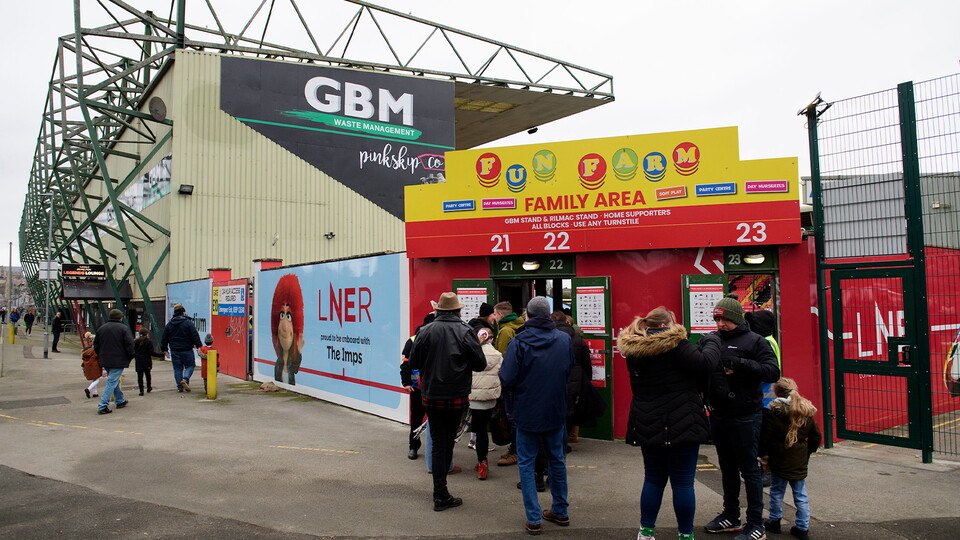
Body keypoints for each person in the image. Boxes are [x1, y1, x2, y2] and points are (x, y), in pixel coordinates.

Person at [618, 306, 722, 540]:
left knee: (653, 479)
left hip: (647, 421)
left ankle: (645, 532)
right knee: (683, 483)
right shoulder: (677, 346)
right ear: (668, 324)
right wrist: (712, 340)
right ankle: (685, 534)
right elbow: (706, 363)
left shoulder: (634, 350)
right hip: (682, 421)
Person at [704, 294, 780, 540]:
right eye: (717, 319)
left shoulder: (756, 341)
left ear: (736, 318)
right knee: (726, 467)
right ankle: (731, 515)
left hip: (746, 414)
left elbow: (772, 372)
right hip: (719, 413)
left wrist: (739, 364)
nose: (720, 324)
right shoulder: (712, 340)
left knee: (750, 470)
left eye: (725, 319)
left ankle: (756, 523)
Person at [500, 296, 573, 535]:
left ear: (528, 315)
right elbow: (568, 369)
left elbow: (507, 377)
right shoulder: (564, 340)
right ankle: (560, 510)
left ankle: (533, 518)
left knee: (526, 462)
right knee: (557, 461)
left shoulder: (519, 342)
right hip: (555, 409)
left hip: (526, 409)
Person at [408, 292, 486, 512]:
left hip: (431, 395)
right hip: (456, 395)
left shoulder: (425, 331)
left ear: (439, 311)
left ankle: (439, 493)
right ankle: (442, 494)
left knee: (438, 441)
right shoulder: (465, 331)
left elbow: (414, 362)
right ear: (458, 311)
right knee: (448, 441)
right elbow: (479, 364)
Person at [761, 378, 821, 540]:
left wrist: (763, 455)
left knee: (777, 491)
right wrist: (807, 452)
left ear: (777, 392)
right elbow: (816, 436)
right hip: (799, 458)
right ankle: (802, 527)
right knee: (801, 494)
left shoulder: (774, 412)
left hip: (779, 457)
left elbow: (765, 437)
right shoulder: (805, 411)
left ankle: (774, 521)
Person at [469, 326, 502, 480]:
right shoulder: (497, 355)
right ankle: (482, 462)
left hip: (473, 398)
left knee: (478, 428)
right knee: (483, 429)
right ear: (491, 338)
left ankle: (481, 461)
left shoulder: (469, 353)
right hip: (490, 397)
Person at [494, 300, 524, 467]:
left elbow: (503, 358)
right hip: (518, 380)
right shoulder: (516, 325)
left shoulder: (505, 331)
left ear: (499, 314)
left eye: (495, 314)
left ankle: (515, 450)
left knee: (511, 417)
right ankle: (516, 448)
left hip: (509, 381)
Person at [401, 312, 435, 460]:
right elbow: (405, 363)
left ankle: (434, 449)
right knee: (417, 419)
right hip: (418, 387)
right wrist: (406, 382)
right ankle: (413, 447)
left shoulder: (437, 338)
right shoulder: (413, 340)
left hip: (434, 387)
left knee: (435, 420)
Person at [93, 309, 134, 415]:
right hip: (119, 359)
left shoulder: (102, 328)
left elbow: (96, 345)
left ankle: (119, 400)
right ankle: (103, 405)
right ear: (120, 318)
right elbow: (129, 344)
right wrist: (131, 355)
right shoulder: (124, 329)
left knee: (114, 380)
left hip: (105, 359)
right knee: (112, 381)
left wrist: (100, 355)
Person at [160, 304, 203, 392]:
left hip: (175, 350)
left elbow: (164, 338)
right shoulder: (188, 323)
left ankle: (180, 387)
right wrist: (199, 346)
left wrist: (164, 349)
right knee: (190, 365)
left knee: (177, 368)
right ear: (183, 312)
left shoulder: (169, 324)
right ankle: (185, 379)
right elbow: (195, 335)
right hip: (187, 349)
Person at [134, 329, 163, 395]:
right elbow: (151, 352)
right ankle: (148, 387)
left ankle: (141, 390)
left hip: (138, 360)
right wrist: (160, 355)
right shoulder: (148, 342)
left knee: (139, 376)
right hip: (146, 360)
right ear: (147, 334)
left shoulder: (136, 341)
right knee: (147, 374)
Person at [81, 332, 102, 399]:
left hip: (87, 366)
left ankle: (95, 393)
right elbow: (98, 358)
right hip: (94, 365)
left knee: (94, 379)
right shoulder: (95, 351)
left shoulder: (86, 351)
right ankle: (88, 389)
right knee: (97, 379)